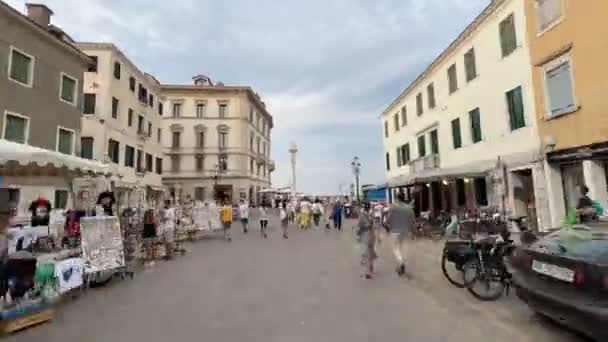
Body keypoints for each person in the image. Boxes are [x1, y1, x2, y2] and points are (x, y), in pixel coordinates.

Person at [387, 192, 416, 277]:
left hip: (395, 232)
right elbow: (412, 222)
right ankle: (402, 263)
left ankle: (401, 263)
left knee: (396, 249)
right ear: (404, 198)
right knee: (403, 249)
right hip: (406, 232)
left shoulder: (393, 207)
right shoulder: (409, 208)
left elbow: (388, 219)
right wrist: (413, 233)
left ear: (397, 198)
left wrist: (387, 224)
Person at [356, 202, 376, 279]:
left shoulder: (361, 215)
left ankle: (368, 272)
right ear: (369, 207)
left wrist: (358, 235)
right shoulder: (372, 214)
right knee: (371, 251)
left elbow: (359, 226)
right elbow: (375, 225)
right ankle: (371, 266)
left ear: (364, 207)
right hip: (372, 235)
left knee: (366, 253)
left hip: (365, 235)